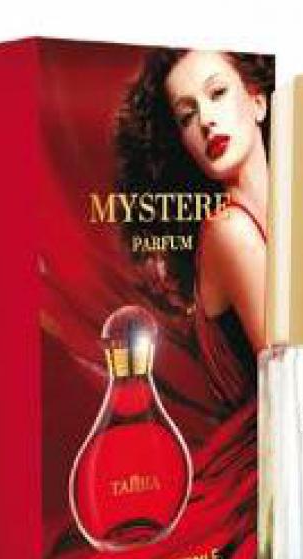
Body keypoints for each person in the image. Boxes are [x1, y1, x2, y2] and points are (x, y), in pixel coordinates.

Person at [116, 49, 274, 410]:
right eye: (187, 116)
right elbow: (295, 376)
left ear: (258, 102)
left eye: (217, 93)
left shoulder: (294, 217)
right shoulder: (230, 231)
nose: (206, 120)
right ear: (185, 145)